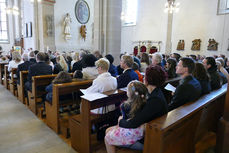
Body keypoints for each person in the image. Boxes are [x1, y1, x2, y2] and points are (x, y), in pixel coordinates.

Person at [105, 65, 168, 152]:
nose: (143, 78)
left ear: (148, 79)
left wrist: (121, 122)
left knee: (108, 136)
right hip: (148, 130)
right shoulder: (155, 92)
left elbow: (134, 123)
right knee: (108, 130)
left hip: (148, 138)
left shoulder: (155, 100)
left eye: (145, 76)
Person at [105, 81, 148, 153]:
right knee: (108, 130)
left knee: (107, 138)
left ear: (129, 94)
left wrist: (120, 120)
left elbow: (124, 123)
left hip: (130, 131)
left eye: (127, 90)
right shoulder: (145, 103)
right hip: (140, 131)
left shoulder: (125, 105)